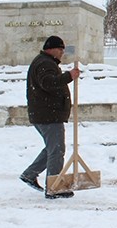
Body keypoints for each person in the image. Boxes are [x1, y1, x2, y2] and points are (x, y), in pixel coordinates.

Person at [19, 35, 80, 199]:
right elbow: (48, 83)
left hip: (45, 114)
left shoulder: (44, 62)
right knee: (56, 150)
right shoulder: (45, 64)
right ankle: (54, 187)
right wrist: (69, 76)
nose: (62, 53)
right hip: (48, 115)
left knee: (52, 148)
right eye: (60, 49)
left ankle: (30, 174)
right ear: (51, 49)